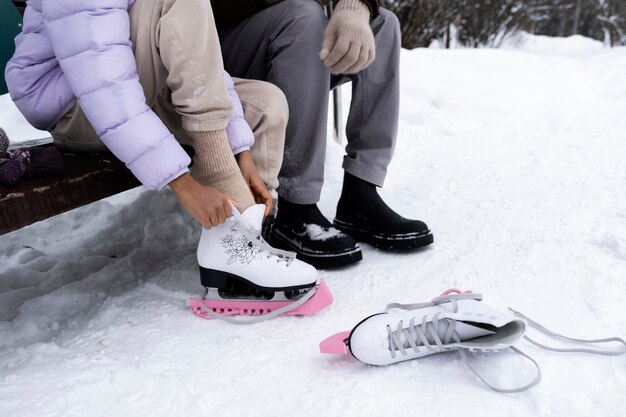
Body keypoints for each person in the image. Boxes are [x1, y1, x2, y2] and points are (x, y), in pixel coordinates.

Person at [5, 0, 330, 321]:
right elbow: (106, 87)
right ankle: (237, 251)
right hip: (75, 103)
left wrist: (239, 151)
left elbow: (202, 63)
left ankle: (243, 243)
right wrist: (185, 185)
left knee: (265, 105)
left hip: (133, 81)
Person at [212, 0, 434, 269]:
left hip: (288, 33)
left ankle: (360, 194)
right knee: (305, 16)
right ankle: (296, 207)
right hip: (215, 43)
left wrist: (354, 7)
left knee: (381, 24)